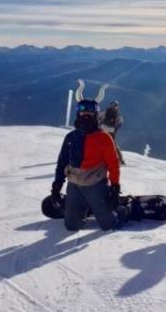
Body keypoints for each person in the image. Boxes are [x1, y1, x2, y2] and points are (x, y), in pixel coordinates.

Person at [50, 98, 128, 231]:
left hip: (96, 185)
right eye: (82, 113)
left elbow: (113, 164)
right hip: (74, 186)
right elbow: (62, 162)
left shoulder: (103, 138)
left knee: (108, 225)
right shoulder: (71, 137)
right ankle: (88, 208)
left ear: (96, 115)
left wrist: (115, 187)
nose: (86, 116)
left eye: (90, 113)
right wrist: (57, 186)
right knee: (72, 226)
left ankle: (121, 209)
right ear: (78, 115)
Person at [99, 100, 125, 165]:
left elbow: (99, 117)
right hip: (111, 131)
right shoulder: (118, 114)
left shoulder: (106, 111)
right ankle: (120, 159)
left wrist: (99, 124)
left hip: (102, 129)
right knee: (113, 145)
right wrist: (115, 129)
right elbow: (120, 122)